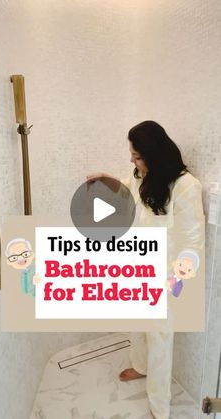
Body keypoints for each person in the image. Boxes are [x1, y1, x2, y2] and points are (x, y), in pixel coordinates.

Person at [87, 120, 204, 419]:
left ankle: (159, 408)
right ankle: (140, 366)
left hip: (166, 277)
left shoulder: (186, 186)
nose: (132, 160)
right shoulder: (143, 176)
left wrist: (176, 280)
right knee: (137, 325)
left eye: (137, 155)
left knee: (161, 341)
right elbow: (127, 191)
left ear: (156, 154)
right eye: (132, 155)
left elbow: (193, 240)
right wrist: (106, 178)